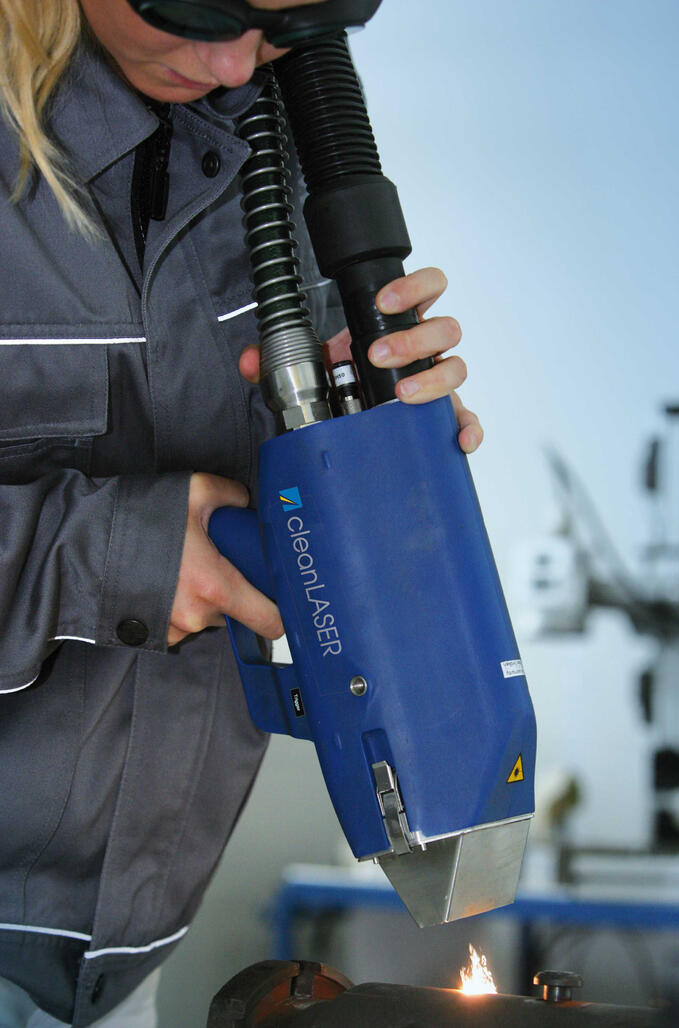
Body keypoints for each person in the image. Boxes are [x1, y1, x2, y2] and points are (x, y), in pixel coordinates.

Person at [0, 1, 483, 1025]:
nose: (229, 65)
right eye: (203, 3)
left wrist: (371, 446)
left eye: (281, 19)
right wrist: (118, 555)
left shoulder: (265, 132)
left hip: (119, 963)